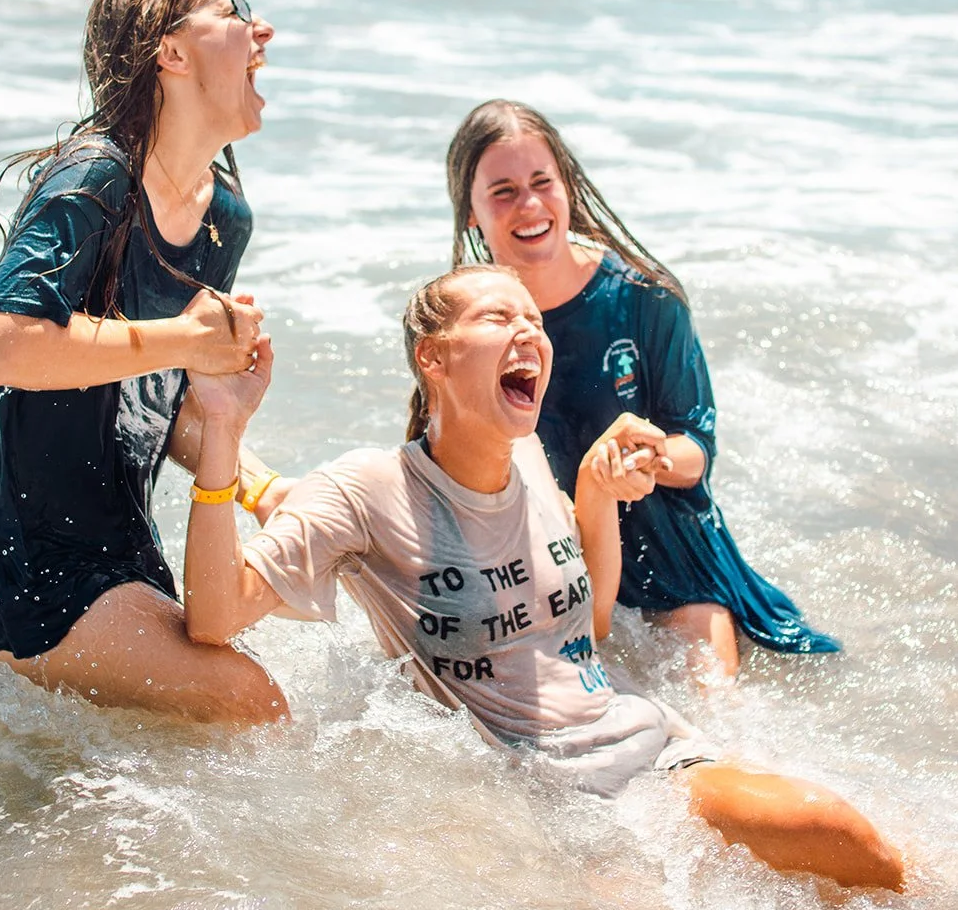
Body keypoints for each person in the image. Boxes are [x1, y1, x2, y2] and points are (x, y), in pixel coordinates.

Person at [180, 266, 903, 891]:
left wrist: (594, 495)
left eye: (533, 318)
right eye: (499, 316)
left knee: (854, 846)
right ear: (432, 356)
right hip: (547, 795)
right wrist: (220, 431)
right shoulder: (368, 490)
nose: (528, 329)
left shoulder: (527, 458)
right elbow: (215, 616)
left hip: (646, 744)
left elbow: (582, 632)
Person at [0, 0, 288, 726]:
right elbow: (7, 343)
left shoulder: (226, 218)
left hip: (110, 539)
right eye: (235, 7)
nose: (263, 30)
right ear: (171, 52)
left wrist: (262, 485)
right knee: (250, 702)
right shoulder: (92, 180)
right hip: (6, 557)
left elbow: (154, 404)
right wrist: (185, 338)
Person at [444, 99, 839, 678]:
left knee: (715, 723)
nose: (528, 205)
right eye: (502, 191)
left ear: (568, 188)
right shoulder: (464, 333)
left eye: (542, 182)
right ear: (471, 212)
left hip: (671, 561)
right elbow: (447, 467)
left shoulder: (645, 299)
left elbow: (696, 449)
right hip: (544, 569)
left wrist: (647, 458)